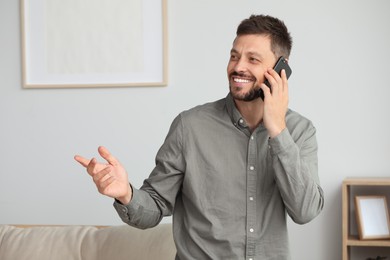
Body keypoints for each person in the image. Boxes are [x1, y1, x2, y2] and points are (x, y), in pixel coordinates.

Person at [75, 14, 324, 260]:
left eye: (253, 59)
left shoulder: (300, 131)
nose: (238, 67)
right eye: (234, 56)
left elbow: (305, 211)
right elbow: (155, 206)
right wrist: (126, 194)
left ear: (281, 69)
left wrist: (278, 131)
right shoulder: (189, 126)